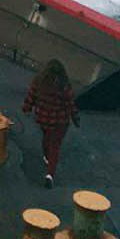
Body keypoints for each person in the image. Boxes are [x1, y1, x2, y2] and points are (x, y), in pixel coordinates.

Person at [23, 59, 79, 187]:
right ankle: (50, 174)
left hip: (43, 119)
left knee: (46, 138)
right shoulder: (64, 86)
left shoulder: (39, 81)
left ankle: (47, 157)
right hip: (60, 122)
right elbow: (70, 105)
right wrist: (75, 119)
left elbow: (31, 96)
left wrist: (27, 108)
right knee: (55, 145)